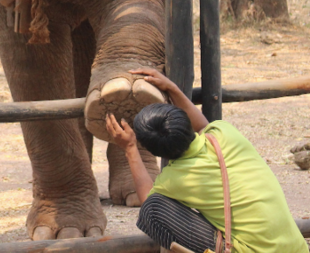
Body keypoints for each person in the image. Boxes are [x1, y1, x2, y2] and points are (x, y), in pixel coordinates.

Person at [106, 68, 307, 253]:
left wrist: (131, 148)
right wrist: (171, 87)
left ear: (156, 152)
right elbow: (202, 124)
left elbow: (147, 200)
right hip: (297, 248)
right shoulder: (224, 133)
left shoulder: (175, 179)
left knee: (153, 208)